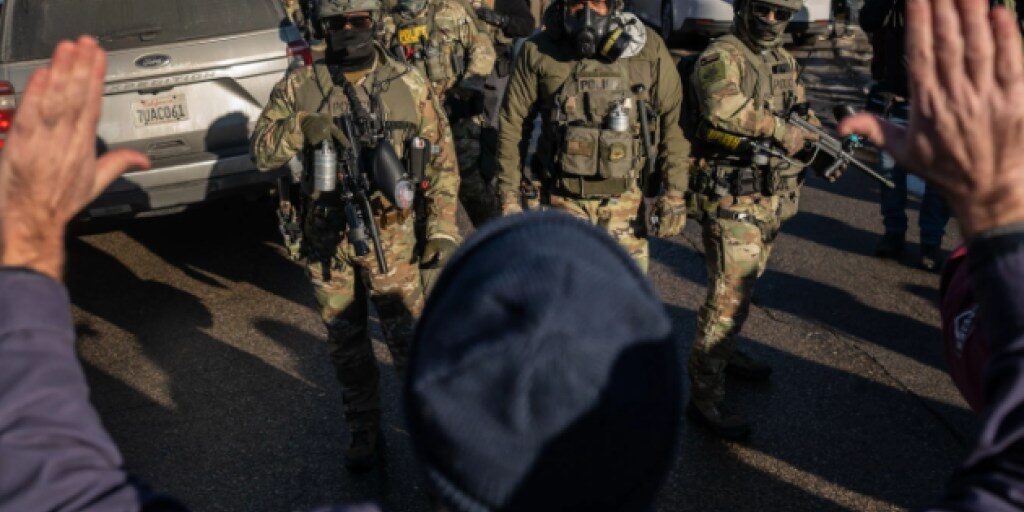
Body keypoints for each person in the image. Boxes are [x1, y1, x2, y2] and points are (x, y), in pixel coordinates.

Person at [251, 0, 461, 472]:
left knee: (410, 343)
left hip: (394, 240)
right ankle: (363, 430)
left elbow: (443, 163)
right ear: (322, 28)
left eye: (357, 21)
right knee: (346, 346)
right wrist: (302, 127)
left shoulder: (408, 84)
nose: (347, 30)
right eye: (336, 24)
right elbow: (261, 151)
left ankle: (430, 434)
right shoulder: (301, 86)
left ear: (373, 22)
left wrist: (442, 229)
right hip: (328, 242)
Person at [683, 0, 823, 439]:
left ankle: (726, 355)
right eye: (764, 10)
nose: (771, 21)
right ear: (745, 8)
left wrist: (816, 134)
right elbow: (720, 109)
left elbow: (800, 106)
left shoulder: (782, 60)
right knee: (727, 299)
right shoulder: (721, 55)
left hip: (768, 196)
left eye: (782, 14)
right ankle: (704, 396)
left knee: (745, 285)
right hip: (731, 197)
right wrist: (782, 131)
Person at [494, 0, 691, 273]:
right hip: (560, 202)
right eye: (577, 4)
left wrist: (675, 193)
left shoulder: (647, 49)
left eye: (597, 4)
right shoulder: (539, 50)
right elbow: (513, 123)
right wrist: (509, 196)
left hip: (625, 207)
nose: (586, 14)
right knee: (565, 295)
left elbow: (674, 121)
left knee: (624, 296)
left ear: (614, 6)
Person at [381, 0, 497, 228]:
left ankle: (495, 237)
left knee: (472, 186)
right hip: (416, 121)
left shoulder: (451, 12)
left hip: (457, 116)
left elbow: (484, 52)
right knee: (415, 185)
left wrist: (463, 92)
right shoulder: (389, 23)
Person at [860, 0, 952, 271]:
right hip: (896, 101)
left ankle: (931, 244)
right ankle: (893, 234)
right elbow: (868, 19)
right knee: (889, 175)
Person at [452, 0, 536, 226]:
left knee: (493, 140)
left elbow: (527, 25)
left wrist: (500, 20)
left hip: (493, 79)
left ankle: (500, 200)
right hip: (459, 80)